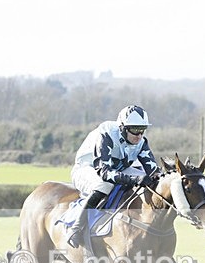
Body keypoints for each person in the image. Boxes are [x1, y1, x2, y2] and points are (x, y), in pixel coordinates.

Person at [67, 105, 161, 248]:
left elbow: (153, 172)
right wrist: (134, 180)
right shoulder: (106, 134)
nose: (139, 135)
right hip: (88, 168)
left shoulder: (141, 142)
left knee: (150, 181)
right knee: (104, 185)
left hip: (118, 169)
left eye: (142, 129)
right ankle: (76, 228)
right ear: (123, 127)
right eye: (135, 130)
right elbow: (104, 172)